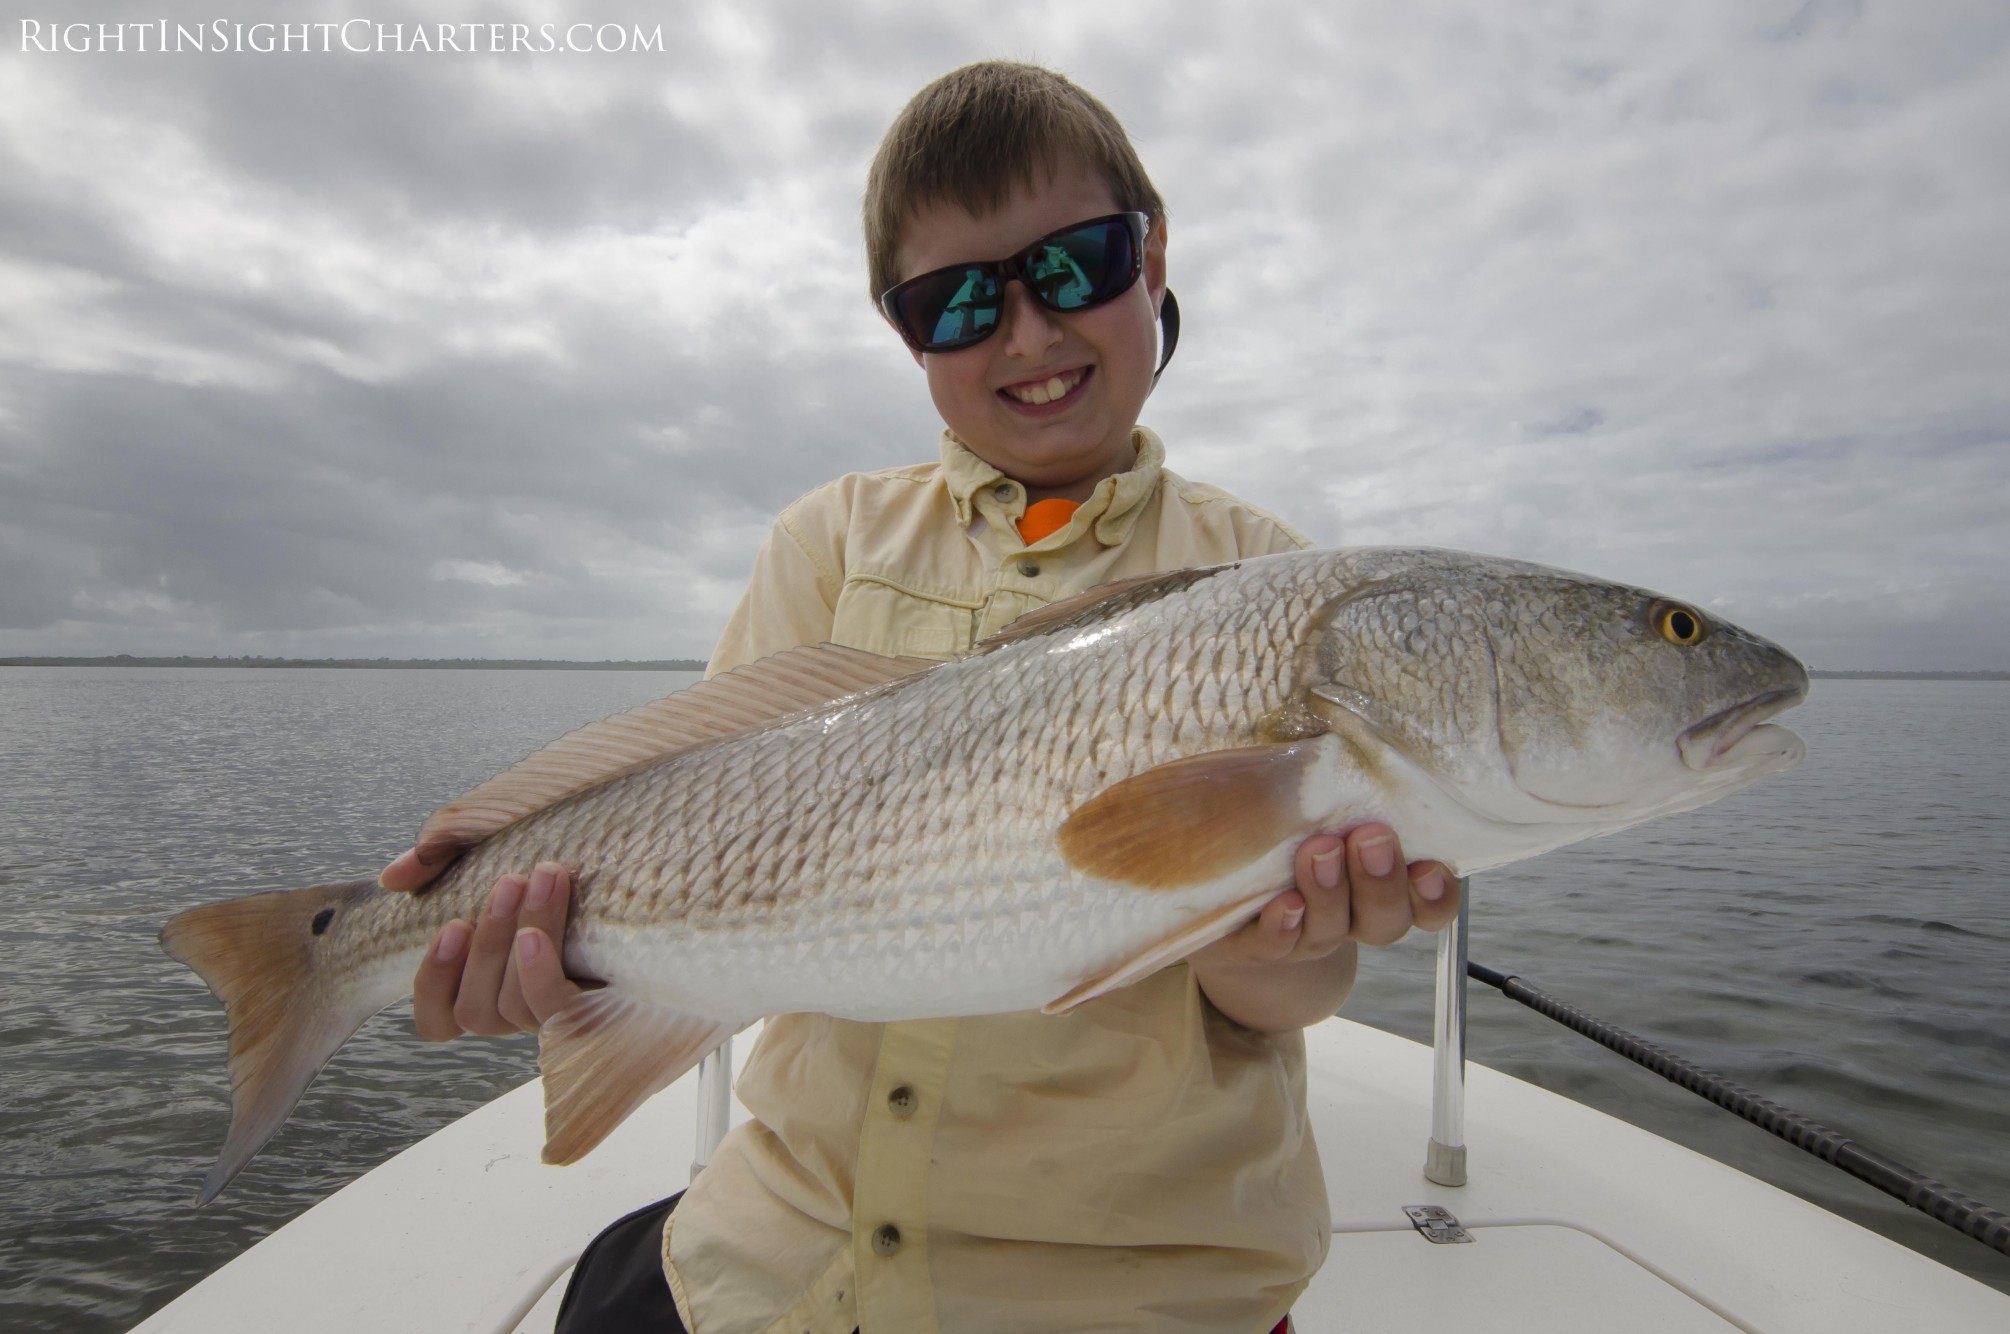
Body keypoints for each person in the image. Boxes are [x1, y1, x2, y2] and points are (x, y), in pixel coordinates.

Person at [382, 61, 1458, 1334]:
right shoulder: (829, 541)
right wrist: (547, 960)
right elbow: (701, 823)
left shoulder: (1276, 589)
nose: (1029, 335)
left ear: (1153, 256)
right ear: (904, 333)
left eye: (1074, 266)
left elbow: (1280, 1003)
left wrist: (1291, 944)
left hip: (1128, 1284)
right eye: (955, 303)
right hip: (787, 1244)